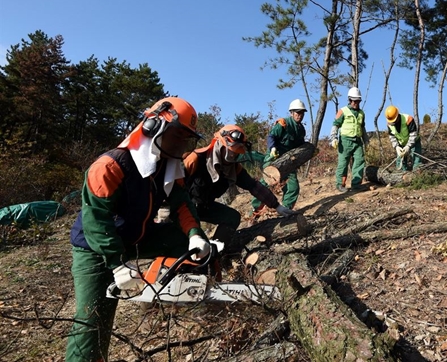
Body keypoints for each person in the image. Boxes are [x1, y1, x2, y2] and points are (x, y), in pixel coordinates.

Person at [66, 97, 211, 361]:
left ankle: (164, 291)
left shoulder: (168, 164)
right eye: (177, 135)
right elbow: (96, 221)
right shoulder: (110, 166)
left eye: (185, 139)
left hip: (137, 235)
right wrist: (116, 264)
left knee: (184, 244)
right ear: (153, 125)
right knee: (93, 318)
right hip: (95, 246)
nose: (180, 144)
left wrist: (194, 235)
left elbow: (181, 203)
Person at [184, 124, 295, 242]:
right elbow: (174, 187)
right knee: (193, 240)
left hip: (203, 206)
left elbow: (253, 186)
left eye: (237, 151)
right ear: (221, 143)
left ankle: (218, 251)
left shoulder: (233, 169)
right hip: (182, 207)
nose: (233, 154)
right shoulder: (195, 159)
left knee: (232, 217)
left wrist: (276, 206)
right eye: (232, 150)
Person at [251, 99, 307, 212]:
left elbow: (300, 146)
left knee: (293, 186)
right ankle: (255, 211)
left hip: (288, 161)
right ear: (291, 113)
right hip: (274, 157)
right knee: (266, 182)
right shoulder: (283, 124)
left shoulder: (301, 130)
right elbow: (271, 136)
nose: (299, 115)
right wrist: (272, 148)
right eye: (297, 112)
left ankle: (286, 209)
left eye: (301, 113)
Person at [330, 87, 369, 192]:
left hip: (357, 141)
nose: (356, 103)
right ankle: (340, 184)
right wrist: (333, 138)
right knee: (343, 163)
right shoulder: (343, 111)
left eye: (357, 101)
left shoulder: (361, 113)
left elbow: (362, 127)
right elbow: (335, 125)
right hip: (345, 141)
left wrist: (366, 141)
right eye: (354, 101)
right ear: (349, 100)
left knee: (359, 161)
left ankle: (356, 184)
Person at [385, 105, 422, 171]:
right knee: (400, 163)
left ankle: (417, 174)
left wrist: (408, 146)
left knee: (416, 159)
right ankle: (402, 175)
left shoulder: (408, 119)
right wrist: (396, 147)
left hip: (414, 142)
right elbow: (392, 137)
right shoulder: (389, 124)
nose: (393, 123)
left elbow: (413, 134)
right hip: (401, 144)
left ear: (397, 115)